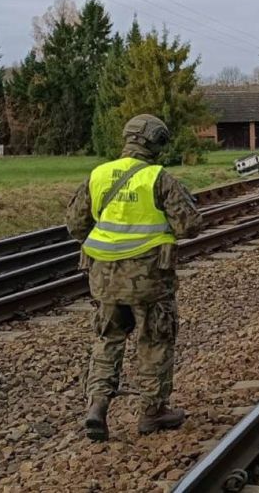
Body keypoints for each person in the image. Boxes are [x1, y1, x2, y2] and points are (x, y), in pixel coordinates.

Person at [64, 113, 206, 441]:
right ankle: (152, 412)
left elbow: (75, 225)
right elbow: (190, 226)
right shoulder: (158, 178)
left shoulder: (98, 175)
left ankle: (97, 406)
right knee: (154, 340)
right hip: (150, 281)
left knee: (107, 339)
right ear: (156, 143)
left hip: (105, 280)